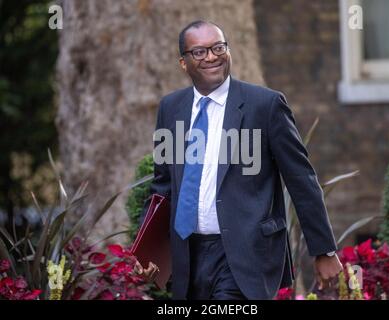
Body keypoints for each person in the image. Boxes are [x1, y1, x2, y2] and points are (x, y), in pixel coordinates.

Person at [135, 20, 343, 300]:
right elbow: (162, 186)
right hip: (187, 256)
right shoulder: (170, 109)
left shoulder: (265, 106)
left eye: (218, 47)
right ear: (183, 63)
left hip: (244, 255)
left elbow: (301, 180)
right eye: (199, 52)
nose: (211, 56)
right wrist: (145, 250)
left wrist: (324, 250)